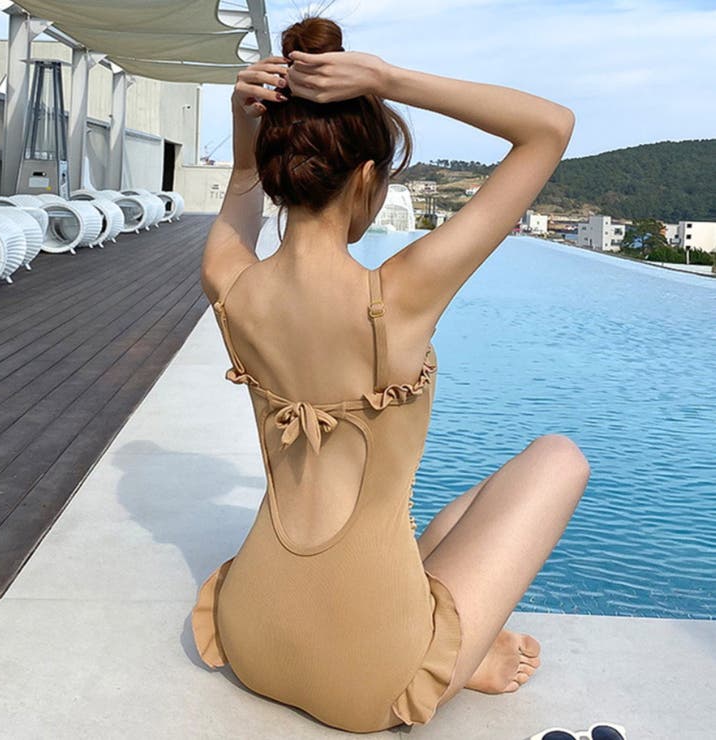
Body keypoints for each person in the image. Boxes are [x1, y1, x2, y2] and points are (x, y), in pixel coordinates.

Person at [192, 15, 589, 734]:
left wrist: (245, 131)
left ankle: (446, 633)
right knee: (557, 458)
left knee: (472, 509)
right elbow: (549, 128)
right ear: (369, 177)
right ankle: (455, 657)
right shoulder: (398, 295)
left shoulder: (228, 279)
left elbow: (242, 184)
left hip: (250, 635)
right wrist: (387, 78)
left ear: (278, 175)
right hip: (369, 679)